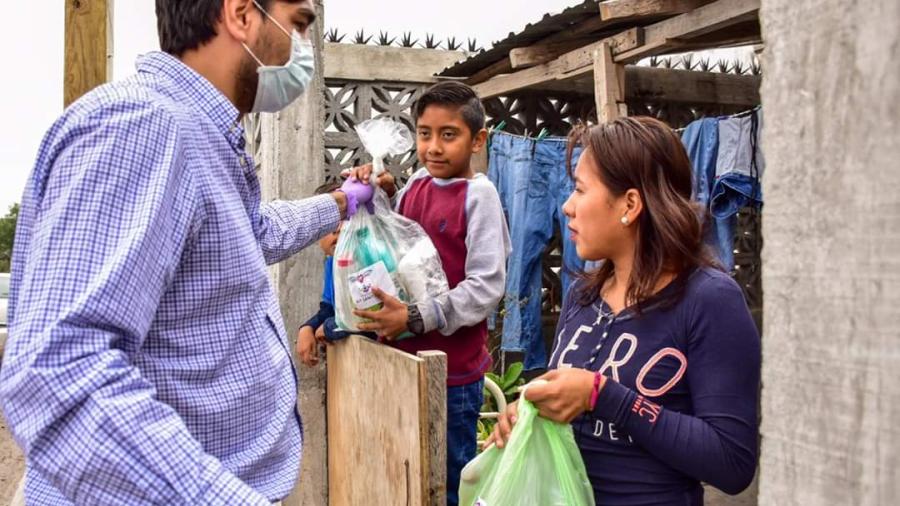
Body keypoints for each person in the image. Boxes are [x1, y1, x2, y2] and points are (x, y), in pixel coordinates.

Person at [0, 1, 374, 504]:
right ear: (241, 15)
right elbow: (60, 373)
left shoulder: (200, 133)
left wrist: (340, 203)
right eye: (299, 25)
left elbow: (250, 232)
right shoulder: (143, 127)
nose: (302, 48)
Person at [488, 117, 760, 505]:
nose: (567, 206)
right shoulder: (583, 295)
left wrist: (605, 396)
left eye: (580, 189)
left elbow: (732, 463)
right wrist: (530, 411)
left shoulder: (710, 300)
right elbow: (572, 402)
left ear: (630, 204)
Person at [354, 81, 511, 506]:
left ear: (477, 140)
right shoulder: (419, 182)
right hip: (403, 364)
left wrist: (415, 317)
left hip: (452, 375)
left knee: (447, 483)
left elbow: (485, 288)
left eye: (449, 134)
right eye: (425, 134)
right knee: (405, 477)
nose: (434, 147)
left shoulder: (480, 196)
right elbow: (397, 243)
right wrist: (380, 196)